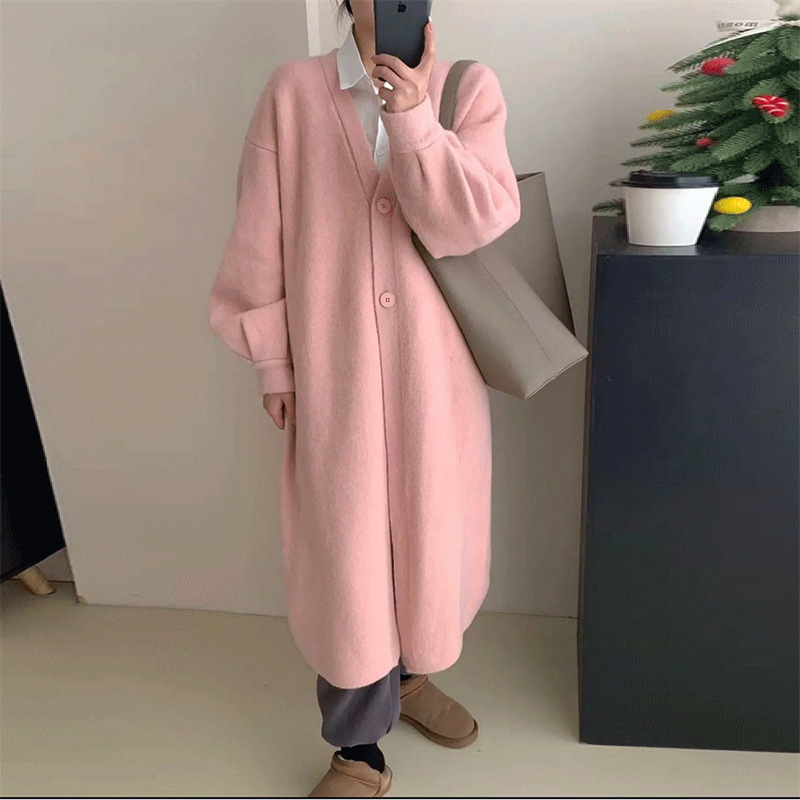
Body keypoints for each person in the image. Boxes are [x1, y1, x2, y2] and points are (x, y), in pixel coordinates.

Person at [208, 0, 521, 795]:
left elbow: (478, 222)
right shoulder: (292, 92)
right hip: (333, 372)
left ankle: (410, 678)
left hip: (436, 381)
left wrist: (414, 121)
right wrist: (274, 363)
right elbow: (260, 236)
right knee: (345, 558)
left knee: (428, 535)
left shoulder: (468, 88)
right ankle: (358, 749)